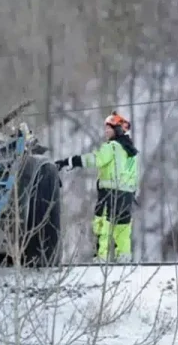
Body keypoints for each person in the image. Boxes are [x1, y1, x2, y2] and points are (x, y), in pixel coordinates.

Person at [55, 111, 139, 262]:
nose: (106, 131)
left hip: (109, 194)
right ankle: (124, 258)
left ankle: (101, 258)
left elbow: (95, 159)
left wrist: (70, 161)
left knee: (103, 225)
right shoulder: (131, 151)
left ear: (118, 130)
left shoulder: (112, 147)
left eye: (109, 128)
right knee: (123, 227)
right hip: (127, 196)